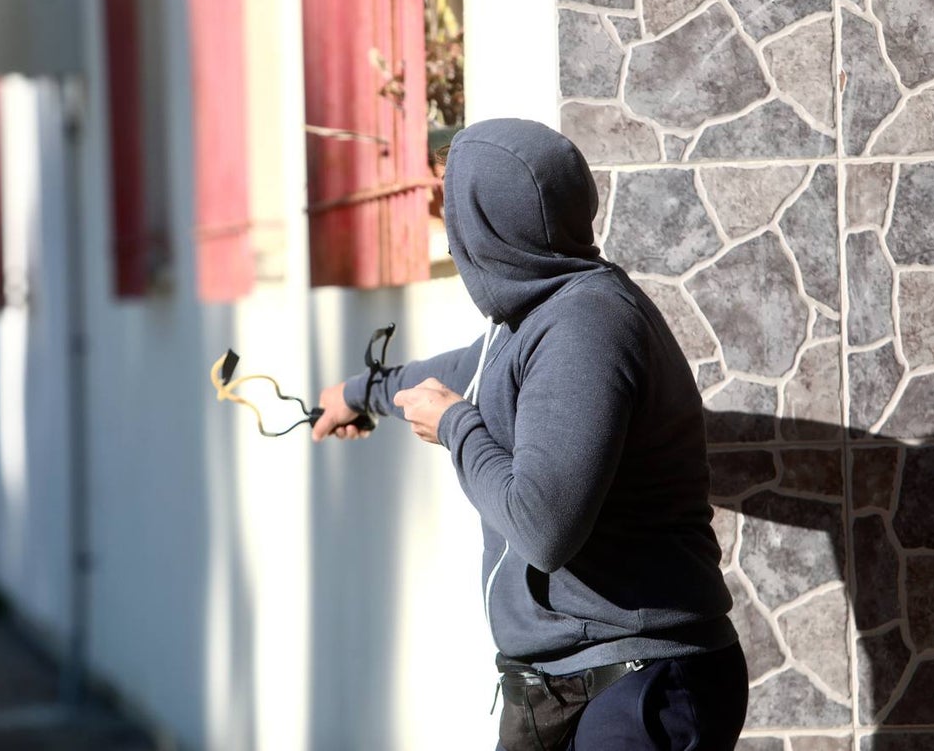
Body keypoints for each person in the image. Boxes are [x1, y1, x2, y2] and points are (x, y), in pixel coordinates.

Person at [311, 118, 748, 750]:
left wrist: (456, 426)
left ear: (484, 224)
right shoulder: (526, 320)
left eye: (449, 208)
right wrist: (355, 395)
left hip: (639, 684)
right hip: (560, 682)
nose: (448, 229)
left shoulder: (585, 327)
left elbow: (544, 526)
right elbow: (449, 374)